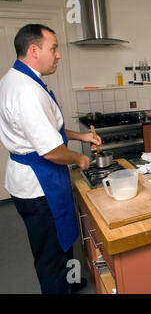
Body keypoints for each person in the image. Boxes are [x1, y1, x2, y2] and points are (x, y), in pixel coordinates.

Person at [0, 24, 101, 293]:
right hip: (38, 185)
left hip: (36, 180)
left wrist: (81, 137)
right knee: (50, 254)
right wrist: (79, 160)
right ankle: (58, 287)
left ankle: (69, 280)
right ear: (34, 50)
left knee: (60, 244)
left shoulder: (18, 80)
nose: (58, 55)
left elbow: (46, 130)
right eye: (53, 48)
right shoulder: (27, 91)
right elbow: (51, 150)